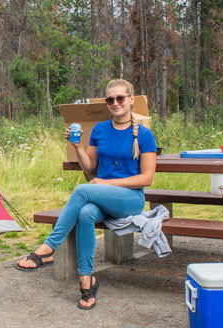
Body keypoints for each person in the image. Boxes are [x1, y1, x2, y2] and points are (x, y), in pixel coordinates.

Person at [15, 79, 157, 310]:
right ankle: (86, 280)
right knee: (86, 212)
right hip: (102, 197)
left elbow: (147, 178)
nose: (115, 103)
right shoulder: (100, 129)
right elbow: (90, 169)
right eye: (110, 99)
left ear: (131, 100)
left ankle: (50, 247)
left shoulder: (144, 134)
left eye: (120, 98)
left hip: (130, 199)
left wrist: (108, 183)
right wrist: (78, 147)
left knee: (83, 190)